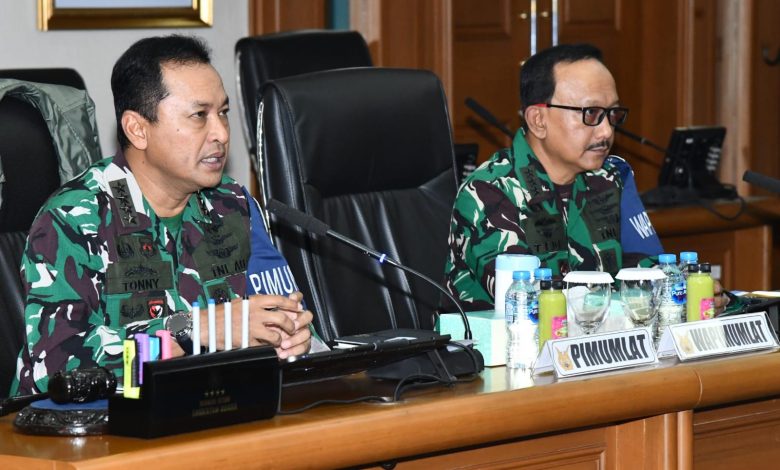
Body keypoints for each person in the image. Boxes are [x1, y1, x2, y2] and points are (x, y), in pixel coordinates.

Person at [11, 35, 313, 395]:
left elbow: (277, 317)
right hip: (91, 422)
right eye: (199, 116)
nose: (221, 133)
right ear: (138, 129)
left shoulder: (230, 203)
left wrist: (287, 335)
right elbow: (56, 368)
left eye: (223, 113)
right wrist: (192, 330)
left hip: (206, 406)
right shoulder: (73, 218)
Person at [444, 43, 664, 311]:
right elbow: (525, 304)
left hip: (596, 335)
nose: (606, 131)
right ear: (538, 120)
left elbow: (650, 276)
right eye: (591, 114)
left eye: (612, 114)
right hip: (500, 338)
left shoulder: (608, 180)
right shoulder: (489, 192)